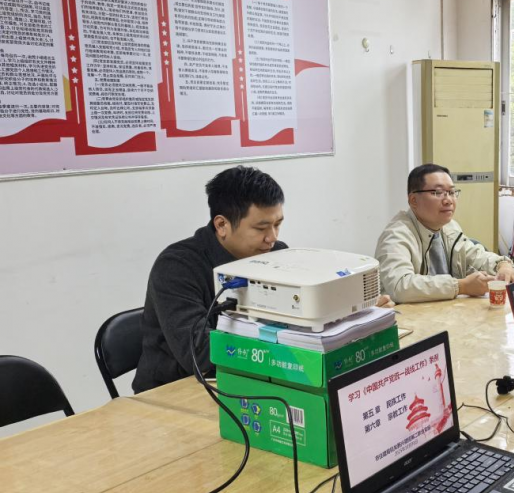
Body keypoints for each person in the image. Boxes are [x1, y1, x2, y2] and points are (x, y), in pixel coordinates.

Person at [134, 167, 392, 394]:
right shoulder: (177, 267)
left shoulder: (277, 253)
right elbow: (203, 357)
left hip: (258, 378)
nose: (272, 238)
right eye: (261, 228)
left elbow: (295, 323)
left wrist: (351, 317)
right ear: (222, 225)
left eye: (278, 224)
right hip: (176, 392)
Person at [376, 163, 514, 303]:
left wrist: (502, 265)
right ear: (413, 200)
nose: (448, 200)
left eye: (451, 192)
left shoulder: (449, 226)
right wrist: (461, 286)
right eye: (438, 193)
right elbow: (401, 286)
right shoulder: (396, 235)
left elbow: (475, 255)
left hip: (443, 313)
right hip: (407, 320)